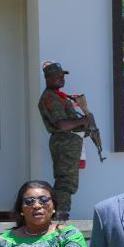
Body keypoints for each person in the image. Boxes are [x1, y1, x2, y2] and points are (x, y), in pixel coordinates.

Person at [37, 61, 96, 220]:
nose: (61, 78)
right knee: (65, 183)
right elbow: (62, 124)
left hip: (69, 142)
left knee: (68, 182)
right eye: (57, 76)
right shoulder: (50, 98)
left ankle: (60, 215)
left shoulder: (58, 96)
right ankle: (60, 217)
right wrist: (82, 122)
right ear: (48, 78)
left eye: (62, 76)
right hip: (64, 143)